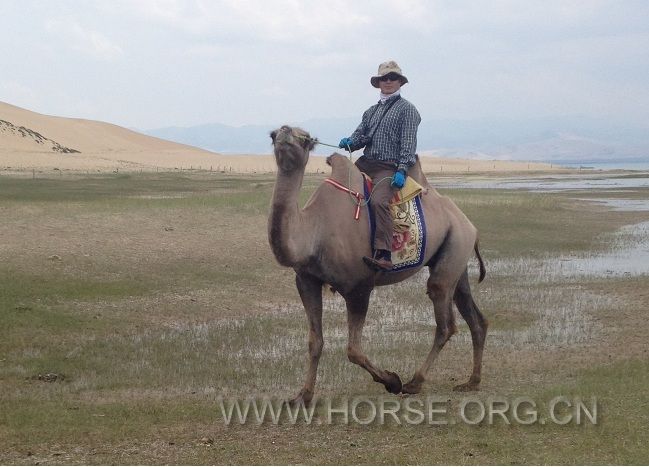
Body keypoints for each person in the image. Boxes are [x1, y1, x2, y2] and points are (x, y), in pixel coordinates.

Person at [339, 60, 421, 271]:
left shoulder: (408, 110)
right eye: (384, 78)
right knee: (338, 191)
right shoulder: (371, 112)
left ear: (400, 82)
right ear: (378, 82)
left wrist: (402, 169)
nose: (388, 81)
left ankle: (384, 253)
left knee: (377, 202)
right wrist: (349, 142)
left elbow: (408, 143)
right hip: (366, 162)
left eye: (392, 77)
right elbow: (360, 136)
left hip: (388, 167)